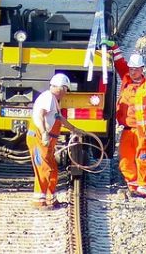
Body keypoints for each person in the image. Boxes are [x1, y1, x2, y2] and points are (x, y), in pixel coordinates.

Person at [107, 42, 146, 197]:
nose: (132, 71)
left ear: (142, 69)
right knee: (125, 158)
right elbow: (119, 64)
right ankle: (133, 185)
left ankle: (143, 188)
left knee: (143, 157)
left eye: (135, 69)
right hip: (128, 128)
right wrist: (114, 47)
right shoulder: (126, 79)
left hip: (142, 131)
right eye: (131, 69)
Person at [28, 73, 86, 208]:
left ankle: (49, 199)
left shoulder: (53, 100)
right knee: (44, 169)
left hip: (45, 140)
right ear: (61, 88)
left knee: (52, 168)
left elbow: (59, 118)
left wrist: (74, 129)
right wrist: (43, 133)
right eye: (66, 90)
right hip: (38, 138)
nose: (65, 93)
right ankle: (39, 201)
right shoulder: (48, 98)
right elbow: (40, 114)